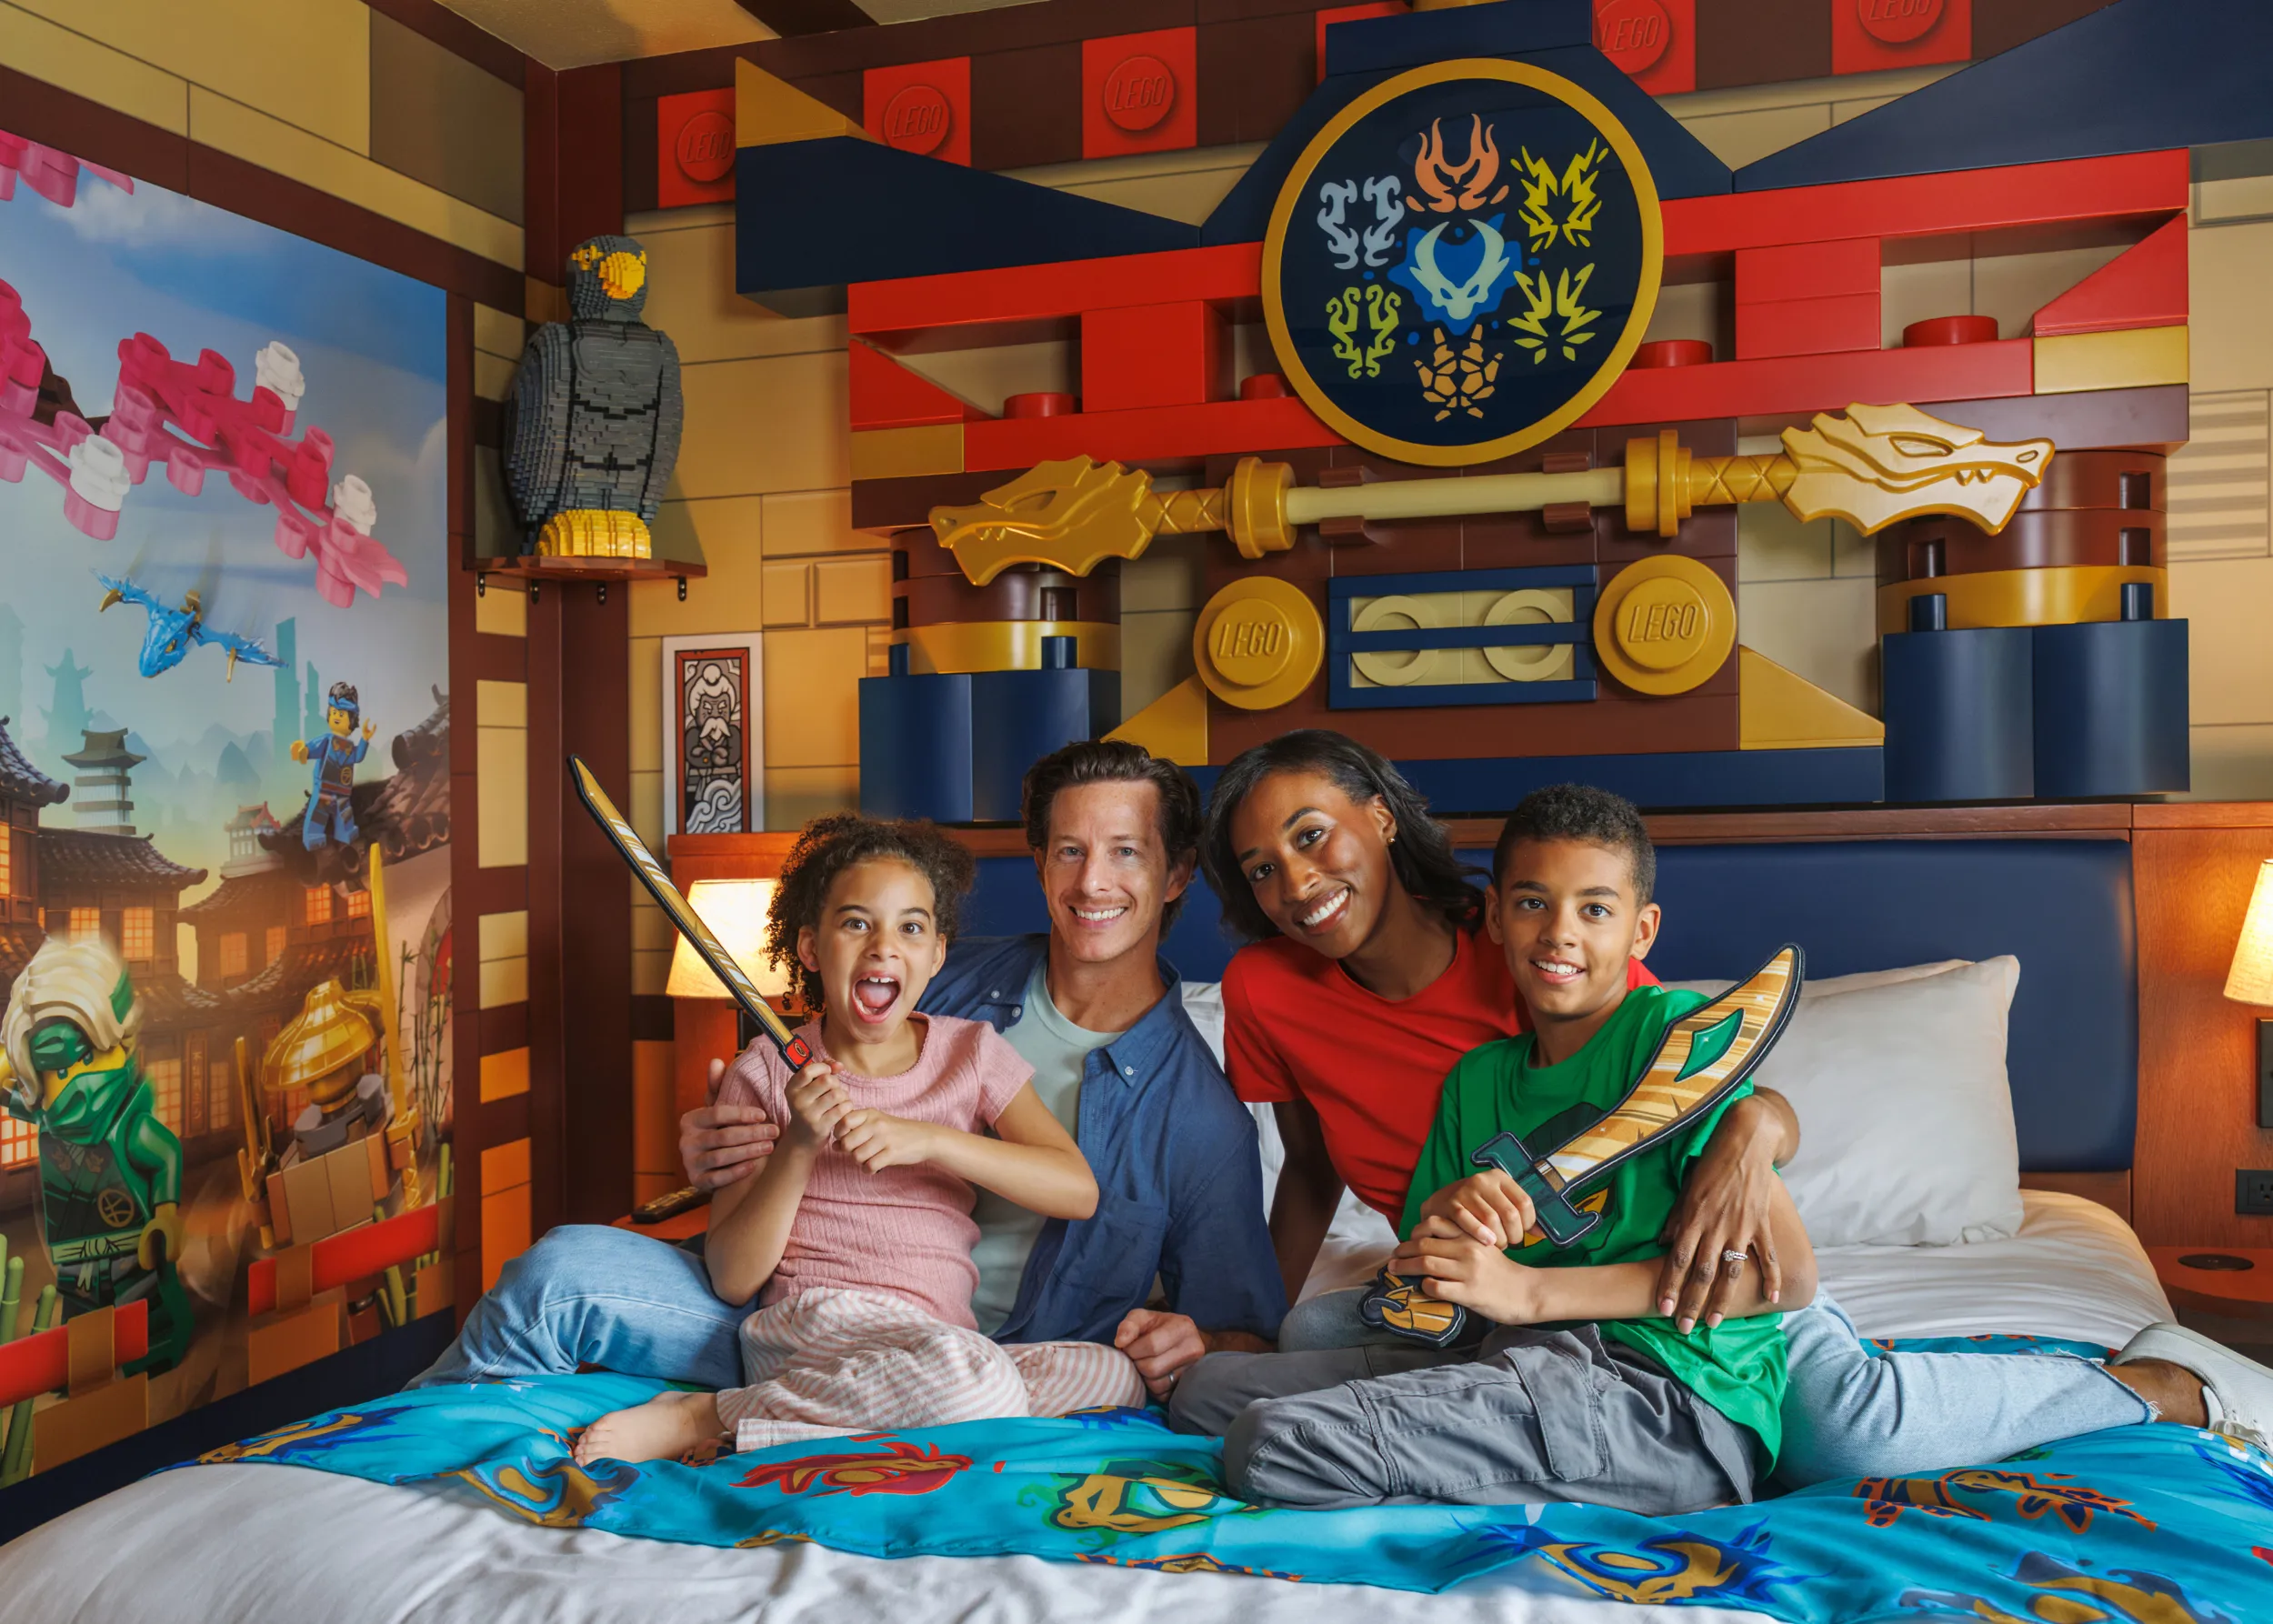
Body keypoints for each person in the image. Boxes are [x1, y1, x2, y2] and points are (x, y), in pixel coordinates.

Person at [1197, 757, 2273, 1482]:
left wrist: (1750, 1138)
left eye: (1312, 835)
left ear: (1380, 820)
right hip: (1519, 1312)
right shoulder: (1401, 1039)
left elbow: (1713, 1096)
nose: (1295, 879)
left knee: (1850, 1430)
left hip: (1689, 1310)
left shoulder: (1574, 970)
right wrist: (1444, 1243)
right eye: (1261, 865)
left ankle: (2154, 1384)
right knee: (1295, 1343)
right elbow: (1313, 1176)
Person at [418, 740, 1280, 1395]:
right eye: (1068, 850)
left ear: (1175, 876)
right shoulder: (927, 971)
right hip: (788, 1315)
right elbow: (798, 1085)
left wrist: (1196, 1344)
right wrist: (720, 1146)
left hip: (981, 1370)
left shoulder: (1202, 1118)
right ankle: (396, 1461)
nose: (1094, 880)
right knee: (557, 1275)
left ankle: (709, 1420)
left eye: (1127, 851)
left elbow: (1244, 1334)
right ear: (1042, 862)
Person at [1169, 785, 1816, 1512]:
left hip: (1664, 1398)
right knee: (1204, 1392)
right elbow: (1428, 1291)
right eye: (1534, 904)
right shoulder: (1476, 1081)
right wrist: (1451, 1222)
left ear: (1641, 932)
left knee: (1269, 1445)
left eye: (1595, 909)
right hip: (1511, 1354)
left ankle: (1441, 1478)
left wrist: (1529, 1292)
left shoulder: (1673, 1036)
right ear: (1498, 920)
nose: (1561, 933)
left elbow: (1784, 1280)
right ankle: (1445, 1452)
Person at [575, 815, 1141, 1466]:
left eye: (910, 926)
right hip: (816, 1323)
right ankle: (710, 1414)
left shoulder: (972, 1053)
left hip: (935, 1341)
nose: (882, 947)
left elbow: (1076, 1191)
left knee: (1112, 1374)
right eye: (855, 923)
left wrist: (931, 1141)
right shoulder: (762, 1070)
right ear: (812, 949)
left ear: (936, 954)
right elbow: (732, 1277)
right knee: (974, 1388)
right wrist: (800, 1143)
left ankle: (826, 1420)